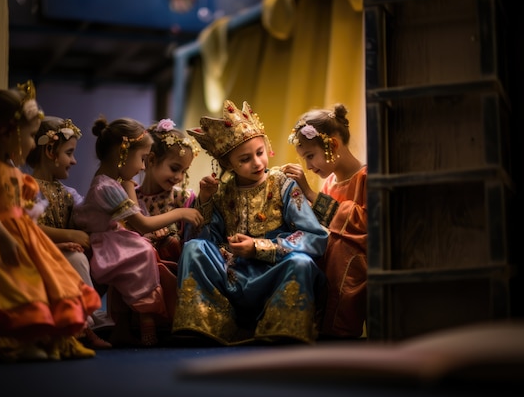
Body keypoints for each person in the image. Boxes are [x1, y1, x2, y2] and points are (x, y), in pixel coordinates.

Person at [0, 82, 101, 362]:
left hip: (20, 238)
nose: (31, 142)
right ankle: (10, 339)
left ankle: (44, 338)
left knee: (45, 280)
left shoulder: (18, 177)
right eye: (30, 135)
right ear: (5, 132)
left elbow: (24, 214)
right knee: (10, 288)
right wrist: (1, 236)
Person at [171, 99, 328, 346]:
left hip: (273, 272)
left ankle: (279, 326)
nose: (256, 163)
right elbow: (199, 242)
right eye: (244, 159)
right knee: (193, 249)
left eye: (260, 153)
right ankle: (209, 326)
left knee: (302, 263)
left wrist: (258, 248)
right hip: (231, 275)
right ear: (227, 164)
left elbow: (314, 236)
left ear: (268, 148)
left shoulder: (282, 185)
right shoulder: (221, 194)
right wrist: (204, 200)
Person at [72, 116, 204, 347]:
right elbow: (141, 224)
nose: (142, 166)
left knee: (141, 253)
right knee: (141, 253)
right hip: (105, 243)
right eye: (142, 159)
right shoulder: (110, 187)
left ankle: (133, 325)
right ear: (123, 152)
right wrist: (180, 214)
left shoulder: (115, 184)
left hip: (117, 241)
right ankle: (144, 322)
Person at [26, 115, 112, 349]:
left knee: (109, 253)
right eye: (69, 153)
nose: (74, 161)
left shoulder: (68, 193)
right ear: (50, 150)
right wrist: (69, 236)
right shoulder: (27, 187)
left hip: (66, 252)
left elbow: (87, 215)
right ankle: (87, 323)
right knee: (76, 258)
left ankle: (106, 317)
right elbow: (27, 227)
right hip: (37, 254)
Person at [283, 103, 367, 339]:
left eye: (310, 156)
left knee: (340, 250)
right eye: (304, 159)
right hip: (332, 252)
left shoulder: (365, 178)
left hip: (359, 255)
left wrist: (311, 194)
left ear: (333, 144)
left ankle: (337, 332)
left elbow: (363, 224)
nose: (308, 166)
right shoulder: (330, 183)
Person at [126, 118, 200, 269]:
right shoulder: (131, 197)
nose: (179, 177)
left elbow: (193, 243)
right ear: (152, 160)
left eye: (184, 171)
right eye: (174, 168)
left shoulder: (183, 199)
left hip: (174, 278)